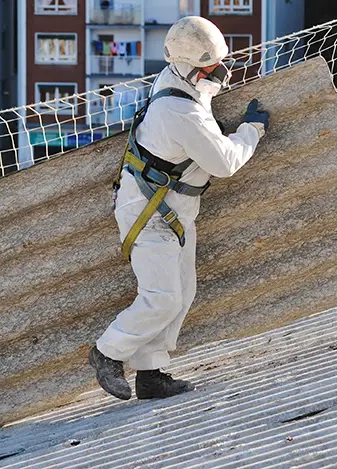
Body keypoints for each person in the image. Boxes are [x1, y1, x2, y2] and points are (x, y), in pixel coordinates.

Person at [88, 16, 269, 400]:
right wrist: (251, 131)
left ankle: (151, 374)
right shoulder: (178, 111)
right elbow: (224, 163)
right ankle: (106, 353)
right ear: (190, 68)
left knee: (182, 293)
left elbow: (201, 106)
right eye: (211, 68)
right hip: (149, 212)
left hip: (174, 211)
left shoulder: (179, 82)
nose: (220, 74)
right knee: (163, 296)